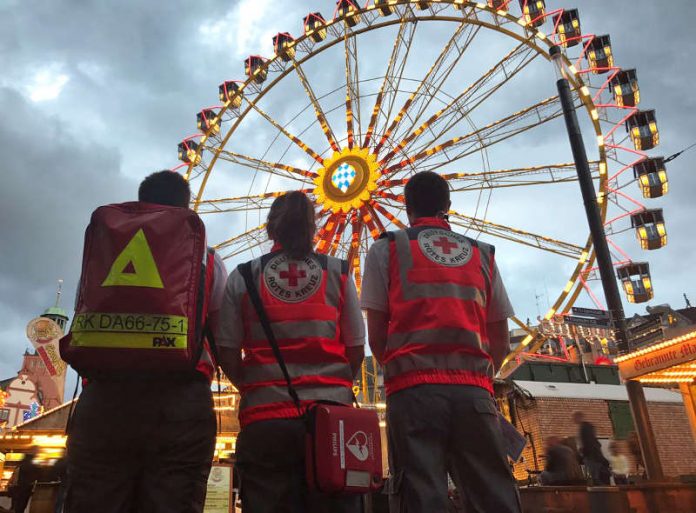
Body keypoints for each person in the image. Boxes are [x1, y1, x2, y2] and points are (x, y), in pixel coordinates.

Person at [63, 170, 227, 513]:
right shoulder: (208, 259)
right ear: (186, 209)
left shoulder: (106, 252)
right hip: (179, 402)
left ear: (140, 203)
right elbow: (221, 332)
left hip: (105, 398)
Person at [361, 171, 521, 513]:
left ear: (406, 207)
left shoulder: (386, 249)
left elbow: (376, 337)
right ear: (448, 205)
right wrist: (478, 377)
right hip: (474, 392)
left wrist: (401, 368)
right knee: (492, 492)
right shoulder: (482, 254)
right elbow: (500, 338)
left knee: (420, 494)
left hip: (412, 390)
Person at [217, 191, 365, 513]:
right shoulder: (338, 273)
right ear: (313, 228)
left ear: (271, 228)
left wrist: (255, 385)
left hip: (266, 418)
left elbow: (225, 350)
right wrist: (335, 385)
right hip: (331, 420)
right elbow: (356, 347)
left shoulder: (244, 275)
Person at [573, 411, 611, 485]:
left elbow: (589, 442)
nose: (573, 419)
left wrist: (583, 454)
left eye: (574, 417)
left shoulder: (585, 427)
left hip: (591, 457)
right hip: (591, 457)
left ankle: (601, 493)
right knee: (594, 478)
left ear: (579, 417)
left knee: (594, 478)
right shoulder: (584, 427)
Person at [9, 448, 39, 513]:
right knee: (21, 506)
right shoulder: (31, 465)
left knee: (16, 506)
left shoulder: (21, 463)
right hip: (26, 488)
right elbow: (36, 476)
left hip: (17, 488)